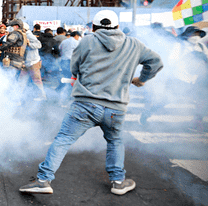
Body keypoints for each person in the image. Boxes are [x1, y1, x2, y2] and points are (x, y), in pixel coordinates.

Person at [19, 10, 163, 196]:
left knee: (63, 140)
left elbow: (75, 68)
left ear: (93, 28)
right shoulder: (133, 44)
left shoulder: (87, 40)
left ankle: (43, 180)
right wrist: (142, 79)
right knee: (115, 141)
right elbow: (156, 62)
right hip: (116, 107)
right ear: (117, 27)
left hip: (85, 104)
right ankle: (118, 181)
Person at [19, 22, 46, 100]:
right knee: (22, 80)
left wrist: (29, 44)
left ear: (24, 29)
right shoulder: (23, 36)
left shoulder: (29, 35)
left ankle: (42, 96)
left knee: (37, 80)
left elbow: (39, 45)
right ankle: (17, 96)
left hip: (33, 62)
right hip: (26, 62)